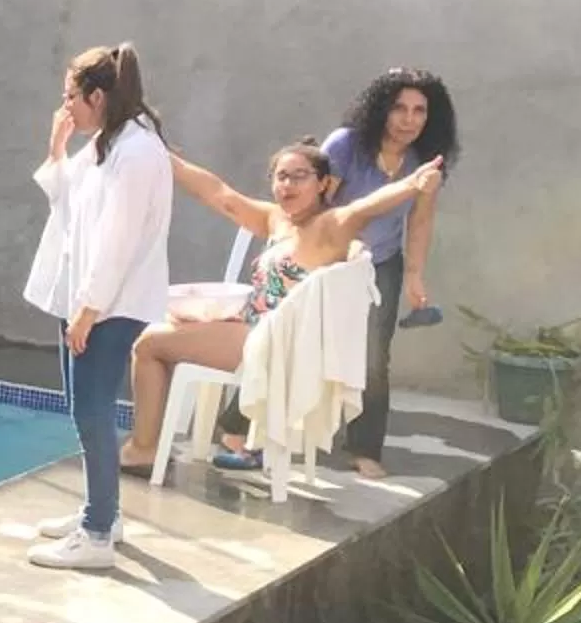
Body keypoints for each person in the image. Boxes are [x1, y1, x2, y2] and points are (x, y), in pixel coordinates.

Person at [122, 140, 446, 473]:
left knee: (149, 344)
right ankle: (149, 444)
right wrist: (162, 156)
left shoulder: (330, 226)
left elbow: (365, 208)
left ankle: (144, 449)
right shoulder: (277, 219)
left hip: (277, 343)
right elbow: (219, 194)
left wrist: (412, 183)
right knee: (161, 329)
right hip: (256, 329)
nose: (288, 185)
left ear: (323, 183)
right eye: (282, 177)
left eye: (300, 176)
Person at [23, 43, 174, 571]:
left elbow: (118, 242)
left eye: (71, 97)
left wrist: (89, 310)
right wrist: (57, 146)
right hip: (89, 298)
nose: (65, 106)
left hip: (111, 303)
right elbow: (68, 202)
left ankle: (96, 533)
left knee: (92, 409)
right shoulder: (106, 145)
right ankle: (104, 514)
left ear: (98, 96)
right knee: (84, 408)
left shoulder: (137, 152)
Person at [322, 69, 461, 477]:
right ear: (380, 109)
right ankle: (239, 428)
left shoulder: (425, 161)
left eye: (420, 111)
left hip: (382, 263)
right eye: (399, 108)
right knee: (295, 340)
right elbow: (317, 207)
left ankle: (364, 449)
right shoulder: (345, 145)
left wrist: (415, 274)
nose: (409, 119)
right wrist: (341, 249)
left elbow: (420, 220)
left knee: (373, 358)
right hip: (327, 258)